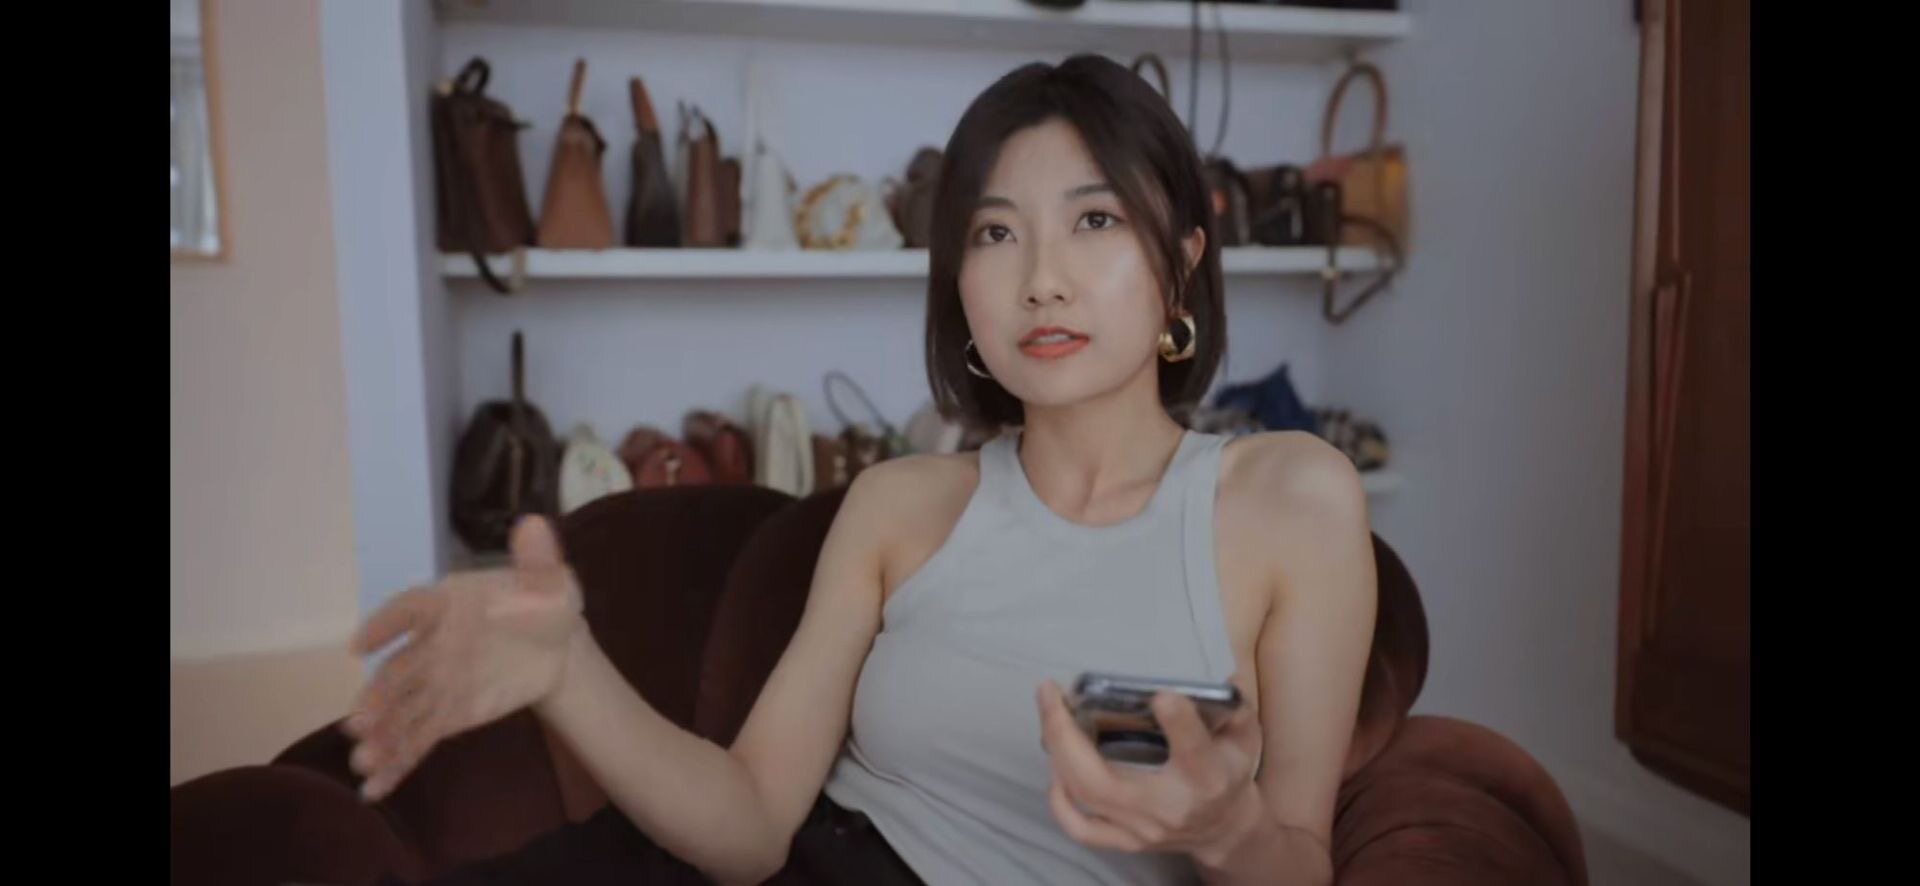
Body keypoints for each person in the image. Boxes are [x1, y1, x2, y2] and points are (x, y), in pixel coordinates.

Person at [347, 53, 1376, 886]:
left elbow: (1301, 860)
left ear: (1183, 261)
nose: (1042, 279)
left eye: (1094, 219)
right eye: (996, 232)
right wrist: (569, 671)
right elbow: (752, 825)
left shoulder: (1291, 499)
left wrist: (1226, 827)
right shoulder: (900, 504)